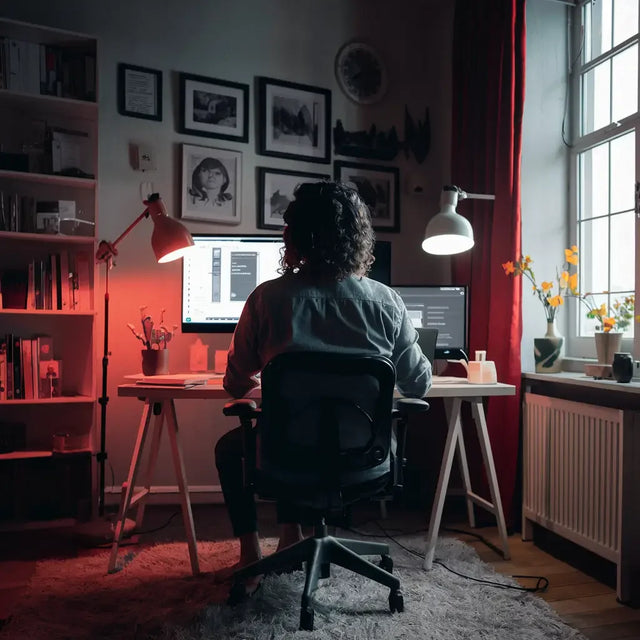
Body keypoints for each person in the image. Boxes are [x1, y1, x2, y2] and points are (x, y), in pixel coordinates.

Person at [215, 181, 431, 591]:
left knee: (237, 446)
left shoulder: (267, 299)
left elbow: (234, 384)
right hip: (366, 462)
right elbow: (418, 384)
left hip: (284, 458)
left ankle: (250, 554)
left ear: (294, 235)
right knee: (302, 438)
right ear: (358, 239)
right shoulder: (387, 302)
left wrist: (266, 374)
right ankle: (291, 537)